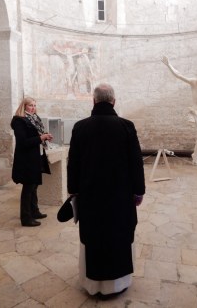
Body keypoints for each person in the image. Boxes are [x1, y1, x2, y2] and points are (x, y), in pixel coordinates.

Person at [67, 83, 145, 299]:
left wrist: (73, 191)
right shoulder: (126, 126)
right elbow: (136, 162)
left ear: (93, 101)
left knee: (94, 237)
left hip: (91, 197)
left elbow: (73, 163)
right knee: (118, 236)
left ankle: (92, 284)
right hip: (119, 198)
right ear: (114, 101)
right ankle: (118, 284)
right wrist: (138, 191)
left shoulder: (80, 127)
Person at [11, 97, 53, 227]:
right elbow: (23, 142)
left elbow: (34, 136)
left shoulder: (34, 119)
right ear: (24, 106)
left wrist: (45, 136)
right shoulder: (19, 121)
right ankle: (26, 218)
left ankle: (34, 211)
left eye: (34, 105)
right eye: (30, 105)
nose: (33, 107)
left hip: (36, 156)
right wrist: (41, 137)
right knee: (28, 187)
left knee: (34, 186)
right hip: (26, 159)